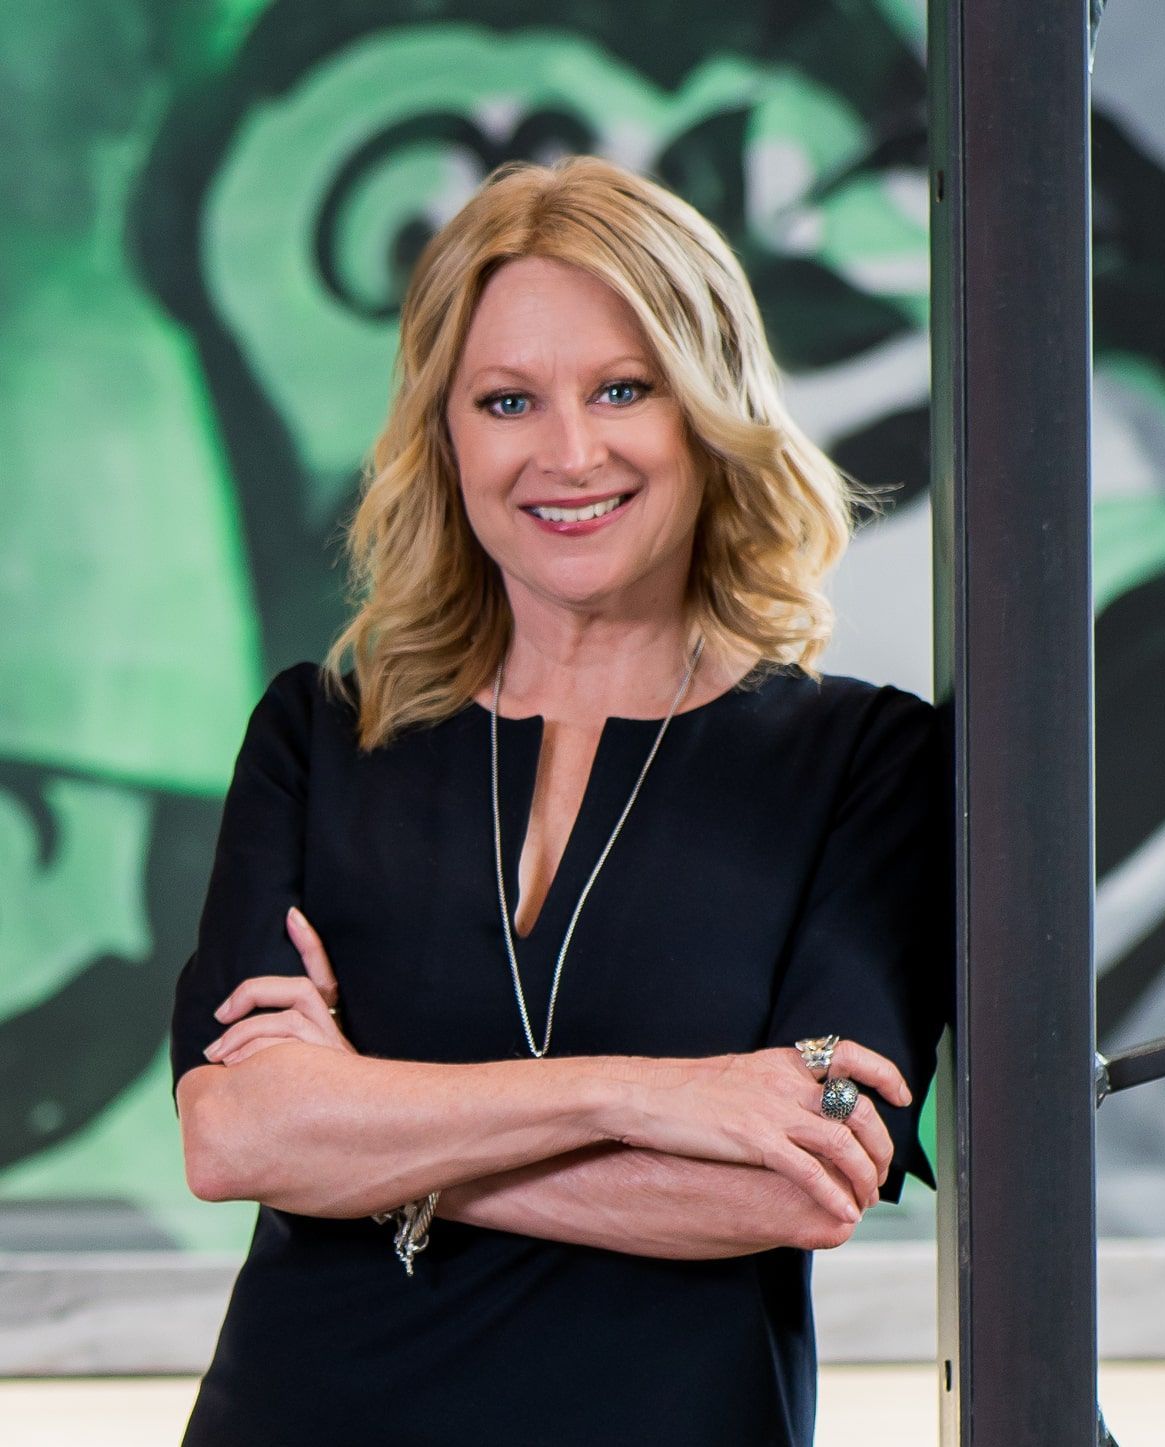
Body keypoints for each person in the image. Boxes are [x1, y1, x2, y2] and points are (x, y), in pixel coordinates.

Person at [170, 153, 950, 1447]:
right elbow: (234, 1137)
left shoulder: (861, 763)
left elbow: (804, 1179)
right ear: (446, 433)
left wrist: (371, 1135)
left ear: (708, 411)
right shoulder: (319, 735)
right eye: (508, 399)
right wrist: (651, 1099)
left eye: (623, 389)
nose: (568, 451)